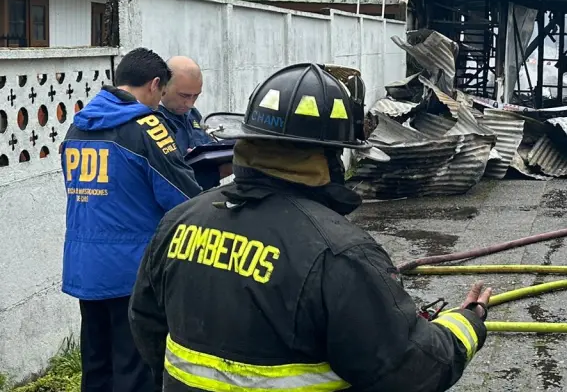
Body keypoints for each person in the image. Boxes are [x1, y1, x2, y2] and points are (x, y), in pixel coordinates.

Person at [129, 63, 492, 392]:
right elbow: (408, 370)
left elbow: (146, 323)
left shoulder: (179, 221)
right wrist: (465, 325)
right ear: (329, 156)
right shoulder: (339, 253)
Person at [61, 47, 202, 392]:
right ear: (155, 85)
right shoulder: (145, 127)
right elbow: (184, 197)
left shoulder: (77, 127)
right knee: (135, 371)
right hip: (132, 273)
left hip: (86, 269)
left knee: (96, 367)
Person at [159, 56, 213, 154]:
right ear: (164, 85)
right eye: (184, 95)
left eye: (196, 95)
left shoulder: (193, 114)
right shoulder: (150, 119)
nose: (190, 104)